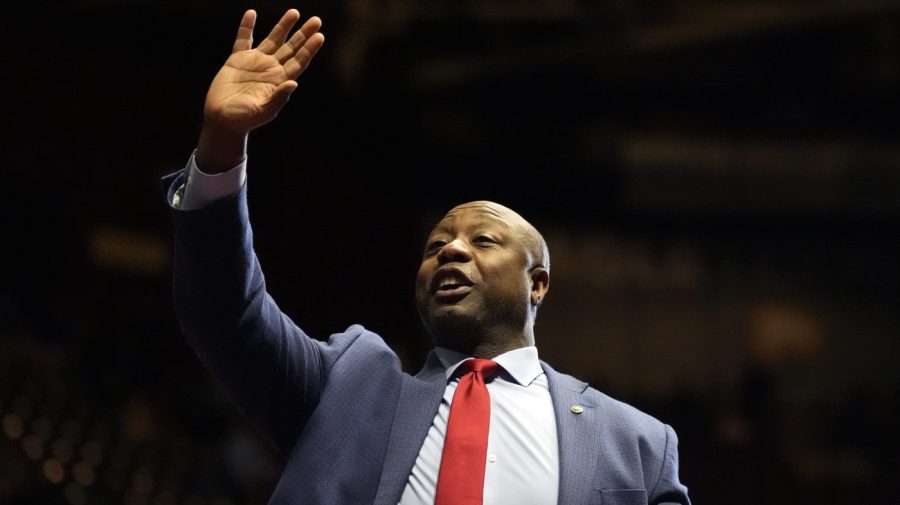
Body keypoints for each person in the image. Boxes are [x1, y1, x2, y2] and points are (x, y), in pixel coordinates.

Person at [163, 8, 691, 505]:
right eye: (436, 246)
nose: (452, 250)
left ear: (538, 284)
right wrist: (222, 143)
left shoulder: (636, 442)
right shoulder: (349, 386)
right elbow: (226, 312)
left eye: (483, 241)